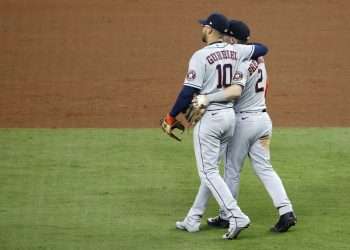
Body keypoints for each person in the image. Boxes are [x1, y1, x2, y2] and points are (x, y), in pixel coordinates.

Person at [161, 13, 268, 240]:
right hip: (230, 118)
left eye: (203, 27)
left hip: (209, 120)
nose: (201, 29)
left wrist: (171, 117)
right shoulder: (236, 51)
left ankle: (236, 215)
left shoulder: (200, 56)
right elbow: (262, 48)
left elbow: (187, 92)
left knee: (208, 172)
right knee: (212, 171)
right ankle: (193, 218)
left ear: (210, 30)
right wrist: (241, 46)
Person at [194, 20, 297, 233]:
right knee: (265, 167)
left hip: (244, 123)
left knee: (232, 168)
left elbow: (235, 92)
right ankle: (286, 211)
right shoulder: (260, 59)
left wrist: (207, 98)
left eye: (226, 37)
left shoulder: (241, 62)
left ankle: (226, 216)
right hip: (263, 121)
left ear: (232, 39)